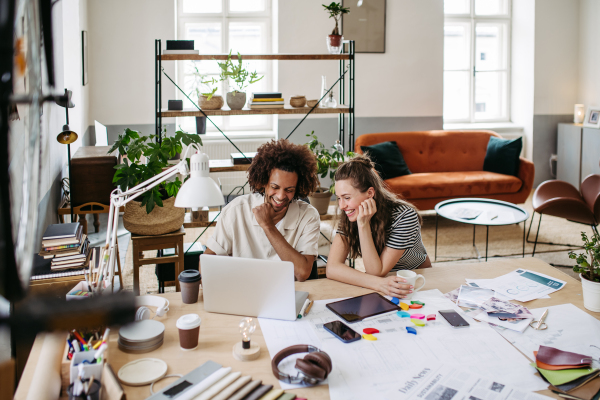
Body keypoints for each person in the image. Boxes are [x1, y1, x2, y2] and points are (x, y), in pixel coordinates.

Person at [203, 139, 320, 281]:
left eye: (289, 190)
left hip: (287, 295)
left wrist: (267, 225)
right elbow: (207, 263)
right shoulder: (235, 211)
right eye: (275, 187)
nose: (281, 196)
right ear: (263, 182)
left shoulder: (308, 216)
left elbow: (302, 273)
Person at [326, 154, 431, 298]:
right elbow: (332, 268)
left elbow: (376, 271)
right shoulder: (351, 214)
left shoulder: (405, 216)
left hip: (415, 277)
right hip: (386, 283)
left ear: (370, 193)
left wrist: (363, 225)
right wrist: (377, 284)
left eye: (347, 197)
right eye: (338, 198)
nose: (342, 206)